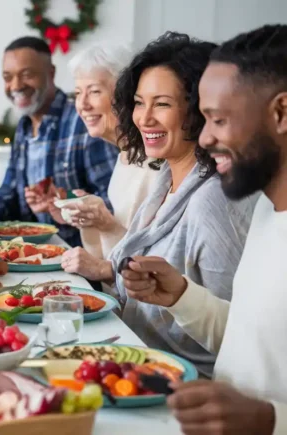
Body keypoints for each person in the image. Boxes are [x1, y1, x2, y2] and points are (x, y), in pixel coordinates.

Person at [121, 25, 287, 434]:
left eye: (219, 119)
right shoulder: (267, 211)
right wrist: (180, 295)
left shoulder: (228, 202)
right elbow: (246, 341)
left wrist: (271, 419)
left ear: (281, 113)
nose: (206, 136)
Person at [80, 32, 257, 377]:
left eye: (161, 103)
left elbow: (236, 330)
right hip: (136, 361)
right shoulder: (164, 180)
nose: (144, 118)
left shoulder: (212, 199)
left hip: (182, 385)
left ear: (197, 110)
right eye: (139, 102)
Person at [0, 36, 119, 247]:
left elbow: (116, 204)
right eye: (7, 77)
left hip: (83, 257)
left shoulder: (86, 120)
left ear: (51, 73)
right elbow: (10, 202)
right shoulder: (23, 128)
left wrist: (66, 201)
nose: (16, 85)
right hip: (34, 253)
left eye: (27, 75)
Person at [58, 44, 159, 276]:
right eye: (77, 93)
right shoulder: (125, 155)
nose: (82, 105)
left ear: (126, 94)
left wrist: (106, 224)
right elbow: (104, 258)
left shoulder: (155, 162)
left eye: (94, 91)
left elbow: (156, 267)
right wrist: (92, 219)